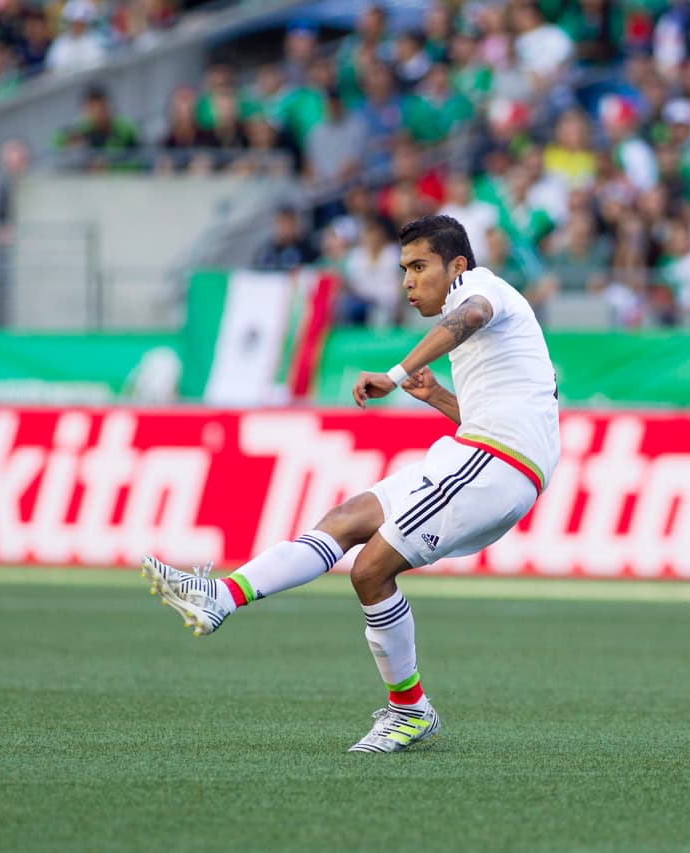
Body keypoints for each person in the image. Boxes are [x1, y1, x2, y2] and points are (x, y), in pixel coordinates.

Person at [142, 214, 560, 753]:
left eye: (418, 266)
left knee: (369, 570)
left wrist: (395, 374)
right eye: (403, 269)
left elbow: (473, 315)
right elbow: (494, 414)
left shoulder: (477, 289)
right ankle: (222, 595)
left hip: (494, 463)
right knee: (346, 519)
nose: (408, 281)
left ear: (456, 265)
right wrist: (435, 397)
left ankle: (409, 711)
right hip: (483, 452)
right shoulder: (494, 326)